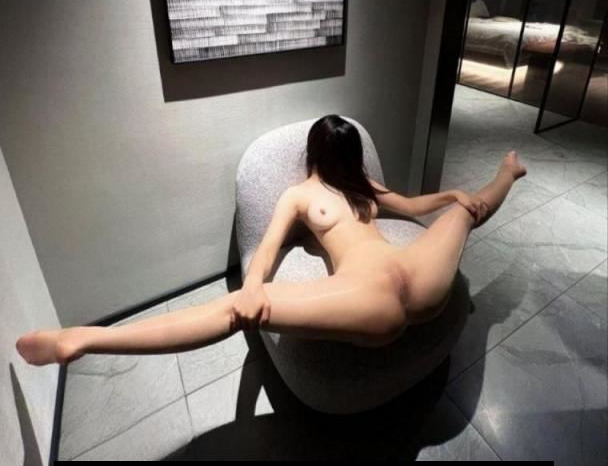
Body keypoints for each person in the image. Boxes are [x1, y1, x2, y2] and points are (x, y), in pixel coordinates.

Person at [15, 114, 526, 367]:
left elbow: (411, 206)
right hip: (366, 298)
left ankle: (508, 173)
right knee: (237, 308)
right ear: (318, 154)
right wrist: (255, 285)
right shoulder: (298, 196)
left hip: (417, 275)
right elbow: (265, 246)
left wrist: (450, 196)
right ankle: (84, 339)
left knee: (466, 211)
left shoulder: (363, 185)